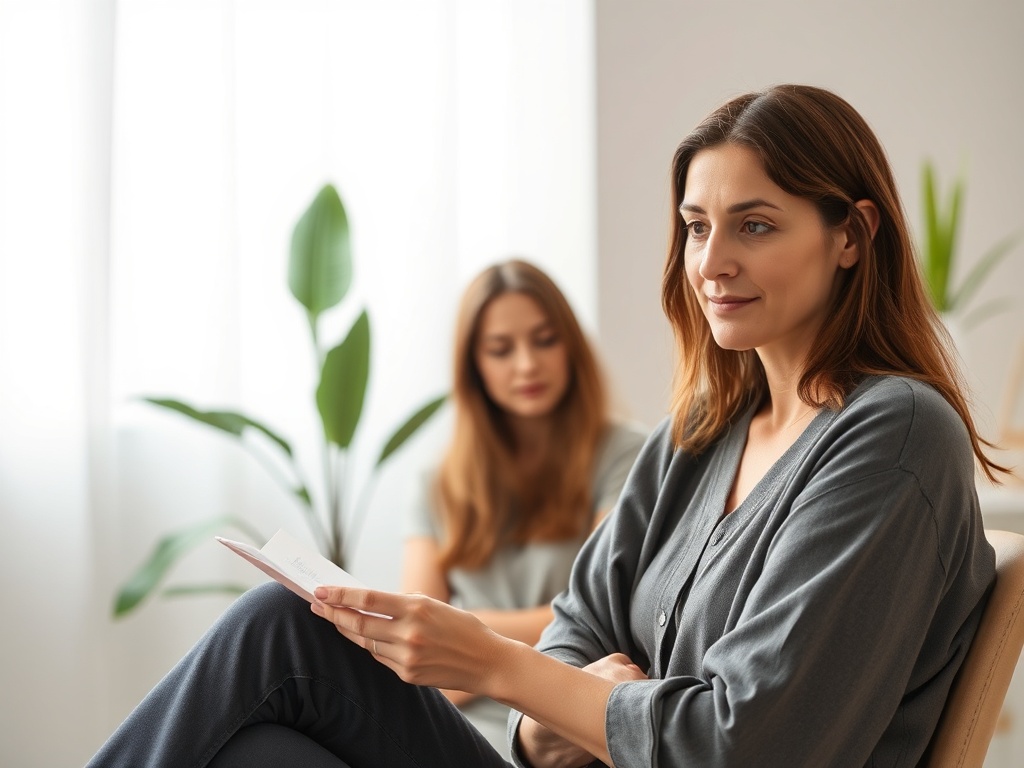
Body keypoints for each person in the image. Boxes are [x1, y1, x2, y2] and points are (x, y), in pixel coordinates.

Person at [88, 84, 1006, 768]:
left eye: (755, 226)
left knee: (276, 635)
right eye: (694, 226)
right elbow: (579, 623)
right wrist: (551, 719)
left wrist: (504, 668)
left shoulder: (893, 434)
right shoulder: (703, 431)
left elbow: (748, 744)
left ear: (851, 235)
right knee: (264, 749)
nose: (712, 262)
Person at [400, 260, 648, 756]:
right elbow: (416, 645)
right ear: (474, 365)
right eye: (501, 349)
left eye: (545, 340)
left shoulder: (628, 455)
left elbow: (603, 617)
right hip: (456, 728)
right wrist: (485, 646)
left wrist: (469, 632)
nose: (527, 364)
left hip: (561, 725)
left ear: (571, 348)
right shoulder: (438, 485)